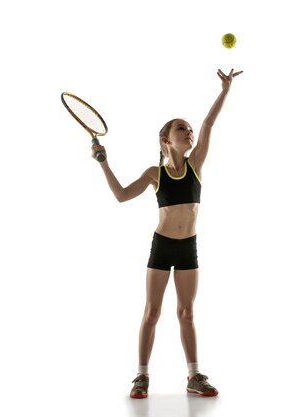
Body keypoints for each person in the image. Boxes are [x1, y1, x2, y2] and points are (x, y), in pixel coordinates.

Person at [91, 69, 242, 398]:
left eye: (189, 129)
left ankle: (193, 377)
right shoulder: (154, 174)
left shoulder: (196, 164)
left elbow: (209, 125)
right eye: (180, 129)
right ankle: (142, 375)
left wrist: (224, 90)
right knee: (152, 311)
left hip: (188, 247)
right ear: (165, 139)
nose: (189, 132)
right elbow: (120, 195)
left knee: (187, 312)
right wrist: (103, 162)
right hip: (161, 248)